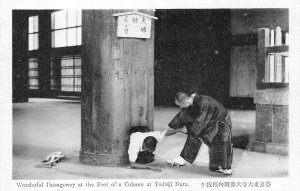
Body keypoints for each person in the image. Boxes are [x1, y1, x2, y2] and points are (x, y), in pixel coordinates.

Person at [166, 92, 233, 175]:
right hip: (208, 120)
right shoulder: (190, 103)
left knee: (221, 141)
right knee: (213, 166)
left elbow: (200, 123)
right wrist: (170, 128)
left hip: (221, 120)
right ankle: (183, 158)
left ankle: (226, 167)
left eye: (180, 105)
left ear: (186, 102)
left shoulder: (204, 103)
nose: (180, 107)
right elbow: (182, 116)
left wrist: (187, 130)